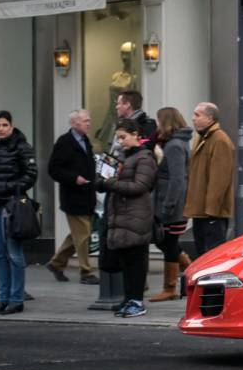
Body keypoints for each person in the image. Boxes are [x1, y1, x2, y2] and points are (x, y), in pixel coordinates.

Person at [95, 119, 158, 318]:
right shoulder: (120, 157)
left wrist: (110, 183)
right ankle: (129, 300)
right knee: (126, 263)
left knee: (136, 262)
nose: (120, 141)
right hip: (121, 217)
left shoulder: (145, 157)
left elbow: (140, 187)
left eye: (123, 137)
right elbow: (103, 181)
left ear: (135, 135)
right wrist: (101, 179)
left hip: (136, 217)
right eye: (118, 137)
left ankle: (137, 302)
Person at [0, 111, 38, 316]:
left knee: (14, 253)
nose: (1, 129)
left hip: (12, 206)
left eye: (4, 125)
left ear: (11, 126)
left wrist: (11, 188)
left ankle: (16, 299)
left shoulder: (22, 146)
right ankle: (2, 300)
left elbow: (31, 174)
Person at [46, 109, 99, 284]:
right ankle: (86, 272)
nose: (88, 123)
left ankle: (56, 263)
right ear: (73, 124)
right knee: (82, 235)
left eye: (89, 120)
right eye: (84, 120)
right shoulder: (64, 142)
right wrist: (73, 178)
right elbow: (53, 169)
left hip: (88, 195)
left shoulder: (86, 141)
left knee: (78, 234)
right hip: (73, 196)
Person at [149, 107, 194, 302]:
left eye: (159, 121)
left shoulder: (174, 145)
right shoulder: (174, 143)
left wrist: (167, 207)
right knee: (166, 242)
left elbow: (177, 180)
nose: (157, 125)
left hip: (171, 206)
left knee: (167, 243)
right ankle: (191, 271)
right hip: (169, 203)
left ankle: (170, 287)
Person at [185, 102, 235, 255]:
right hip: (201, 212)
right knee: (202, 255)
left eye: (197, 115)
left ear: (209, 119)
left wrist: (212, 212)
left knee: (212, 256)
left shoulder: (219, 140)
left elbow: (219, 180)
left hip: (211, 214)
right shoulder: (201, 139)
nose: (193, 119)